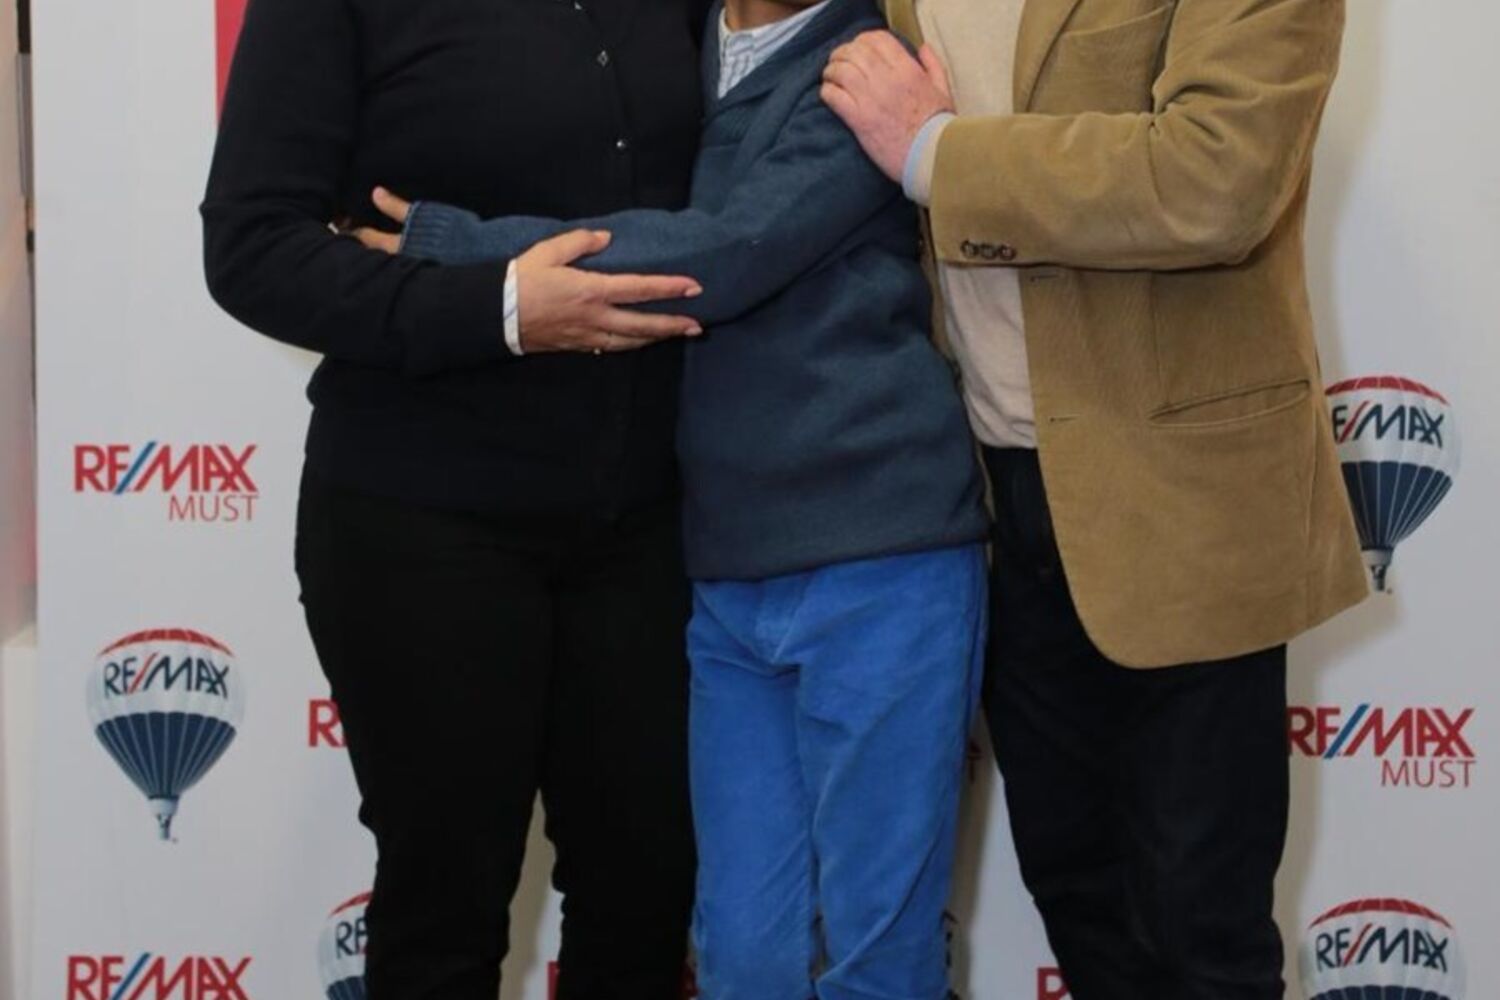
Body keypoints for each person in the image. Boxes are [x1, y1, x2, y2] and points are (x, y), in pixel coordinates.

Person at [350, 0, 989, 995]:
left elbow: (718, 254)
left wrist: (466, 249)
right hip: (725, 570)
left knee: (879, 953)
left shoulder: (868, 62)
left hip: (882, 556)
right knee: (741, 953)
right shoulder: (679, 50)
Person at [821, 1, 1367, 997]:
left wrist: (939, 153)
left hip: (1182, 503)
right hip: (981, 506)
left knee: (1201, 934)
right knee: (1082, 908)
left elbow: (1218, 178)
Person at [200, 1, 715, 996]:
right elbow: (251, 245)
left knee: (647, 896)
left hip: (653, 520)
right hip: (421, 521)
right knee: (446, 911)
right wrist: (500, 308)